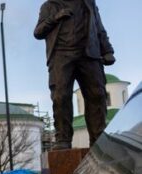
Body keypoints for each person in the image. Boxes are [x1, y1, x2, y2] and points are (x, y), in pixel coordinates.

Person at [34, 0, 115, 149]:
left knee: (97, 95)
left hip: (89, 54)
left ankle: (97, 140)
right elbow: (38, 32)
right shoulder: (49, 6)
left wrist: (107, 50)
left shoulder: (88, 3)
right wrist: (55, 17)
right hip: (61, 55)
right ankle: (63, 139)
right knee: (61, 97)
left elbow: (99, 28)